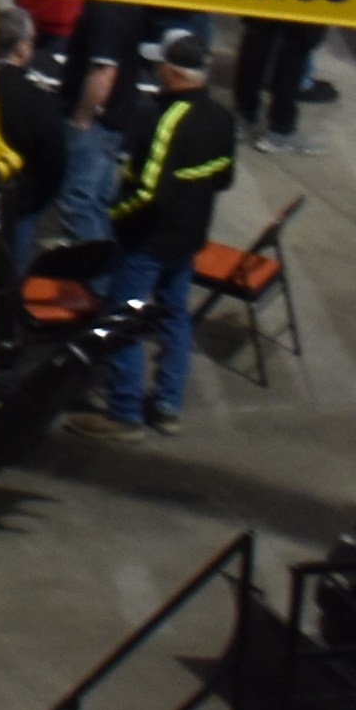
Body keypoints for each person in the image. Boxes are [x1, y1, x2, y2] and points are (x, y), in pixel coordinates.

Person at [94, 30, 234, 431]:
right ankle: (168, 405)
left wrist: (115, 214)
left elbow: (149, 192)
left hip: (147, 241)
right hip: (188, 240)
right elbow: (223, 179)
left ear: (173, 73)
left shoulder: (165, 119)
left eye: (159, 65)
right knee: (174, 318)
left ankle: (124, 413)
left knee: (124, 321)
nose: (154, 70)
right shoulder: (221, 116)